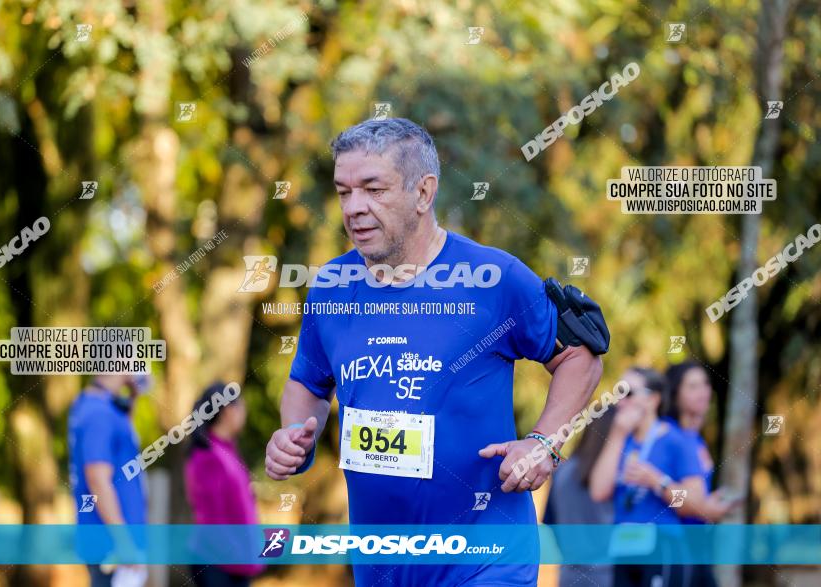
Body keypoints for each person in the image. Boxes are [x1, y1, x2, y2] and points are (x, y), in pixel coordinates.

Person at [264, 117, 607, 586]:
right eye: (344, 192)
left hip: (486, 559)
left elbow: (580, 353)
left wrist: (545, 441)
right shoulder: (331, 286)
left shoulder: (493, 278)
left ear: (424, 192)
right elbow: (308, 382)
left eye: (373, 189)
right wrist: (292, 437)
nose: (355, 208)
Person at [589, 368, 707, 587]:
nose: (620, 400)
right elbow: (598, 491)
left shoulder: (675, 440)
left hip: (663, 548)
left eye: (629, 393)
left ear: (653, 399)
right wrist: (617, 434)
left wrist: (658, 482)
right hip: (624, 549)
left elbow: (696, 504)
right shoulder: (621, 440)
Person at [67, 373, 151, 587]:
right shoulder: (98, 413)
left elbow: (122, 443)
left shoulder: (97, 404)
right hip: (111, 547)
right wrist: (123, 542)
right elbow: (98, 480)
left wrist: (133, 396)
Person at [664, 361, 740, 586]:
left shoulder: (696, 439)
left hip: (700, 549)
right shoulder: (667, 435)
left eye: (706, 384)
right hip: (675, 550)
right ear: (675, 392)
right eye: (693, 386)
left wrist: (711, 502)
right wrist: (707, 509)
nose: (703, 392)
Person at [185, 382, 264, 587]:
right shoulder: (208, 456)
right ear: (228, 411)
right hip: (218, 564)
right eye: (242, 406)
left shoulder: (227, 452)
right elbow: (212, 520)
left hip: (233, 563)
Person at [543, 409, 616, 587]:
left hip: (569, 574)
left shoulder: (562, 471)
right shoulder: (611, 477)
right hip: (609, 575)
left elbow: (549, 521)